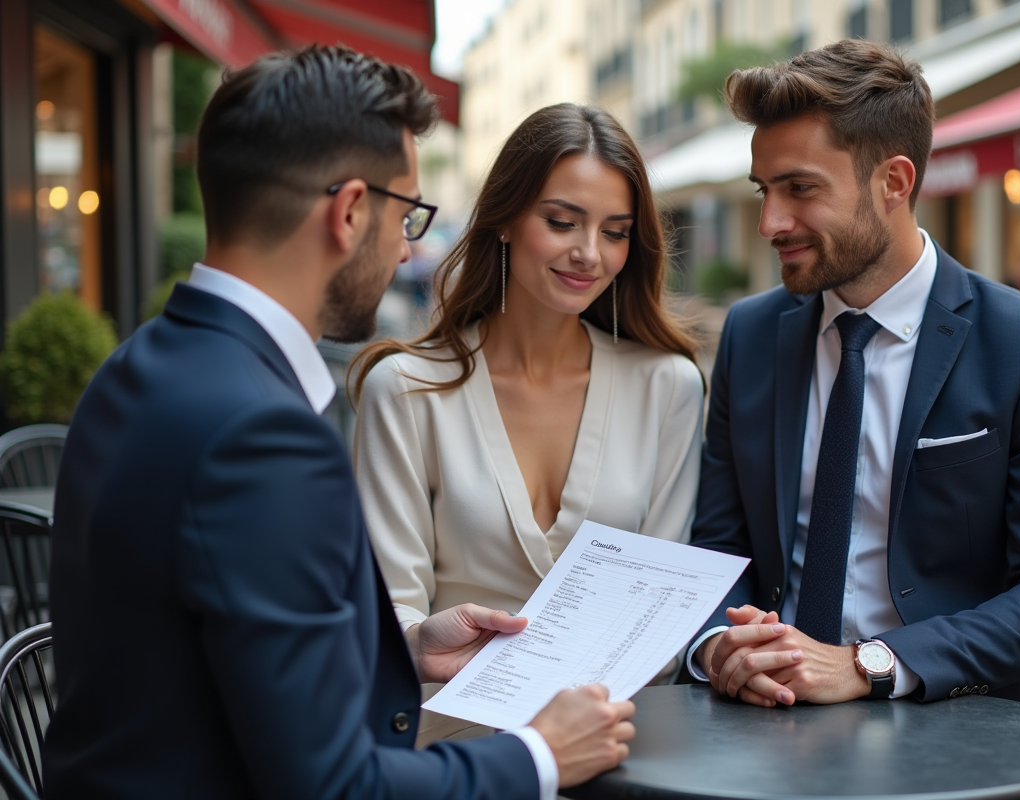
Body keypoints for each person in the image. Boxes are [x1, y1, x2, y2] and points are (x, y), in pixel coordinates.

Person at [44, 46, 634, 800]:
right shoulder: (263, 436)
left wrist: (406, 649)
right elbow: (333, 787)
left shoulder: (132, 369)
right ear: (350, 211)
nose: (407, 246)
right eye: (406, 214)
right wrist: (540, 756)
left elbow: (199, 650)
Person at [684, 39, 1020, 714]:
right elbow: (719, 549)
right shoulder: (750, 335)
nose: (770, 222)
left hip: (967, 716)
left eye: (800, 188)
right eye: (764, 190)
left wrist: (867, 665)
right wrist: (717, 647)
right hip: (772, 715)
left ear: (895, 182)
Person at [349, 103, 704, 726]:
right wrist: (420, 638)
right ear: (506, 219)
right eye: (562, 222)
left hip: (614, 746)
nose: (589, 253)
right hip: (451, 754)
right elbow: (387, 611)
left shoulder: (668, 386)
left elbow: (661, 620)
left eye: (615, 232)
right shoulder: (405, 389)